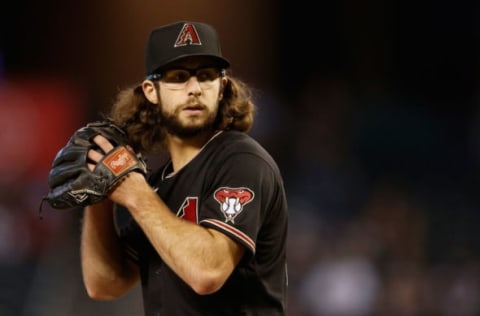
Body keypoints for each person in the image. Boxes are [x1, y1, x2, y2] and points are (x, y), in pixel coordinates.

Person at [80, 20, 288, 315]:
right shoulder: (157, 185)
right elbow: (104, 284)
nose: (194, 89)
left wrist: (135, 195)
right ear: (152, 91)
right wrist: (98, 197)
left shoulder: (241, 161)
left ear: (222, 86)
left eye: (206, 76)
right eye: (178, 77)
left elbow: (208, 273)